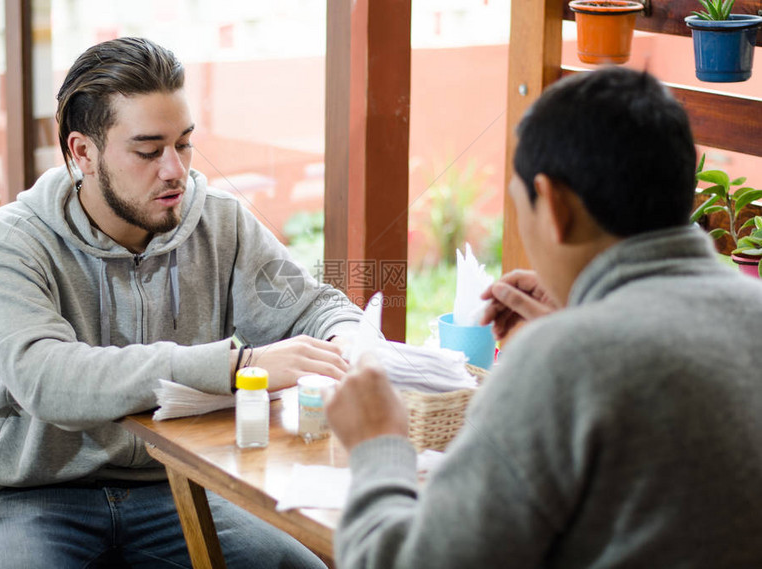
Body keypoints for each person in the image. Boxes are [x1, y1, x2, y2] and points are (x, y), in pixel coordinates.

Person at [326, 67, 762, 568]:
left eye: (519, 205)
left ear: (553, 205)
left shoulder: (562, 362)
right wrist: (583, 317)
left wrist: (379, 444)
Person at [0, 37, 361, 568]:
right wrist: (238, 365)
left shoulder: (220, 220)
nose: (175, 170)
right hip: (32, 497)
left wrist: (349, 338)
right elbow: (46, 379)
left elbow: (309, 306)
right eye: (148, 150)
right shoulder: (8, 242)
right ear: (84, 152)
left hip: (179, 484)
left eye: (184, 143)